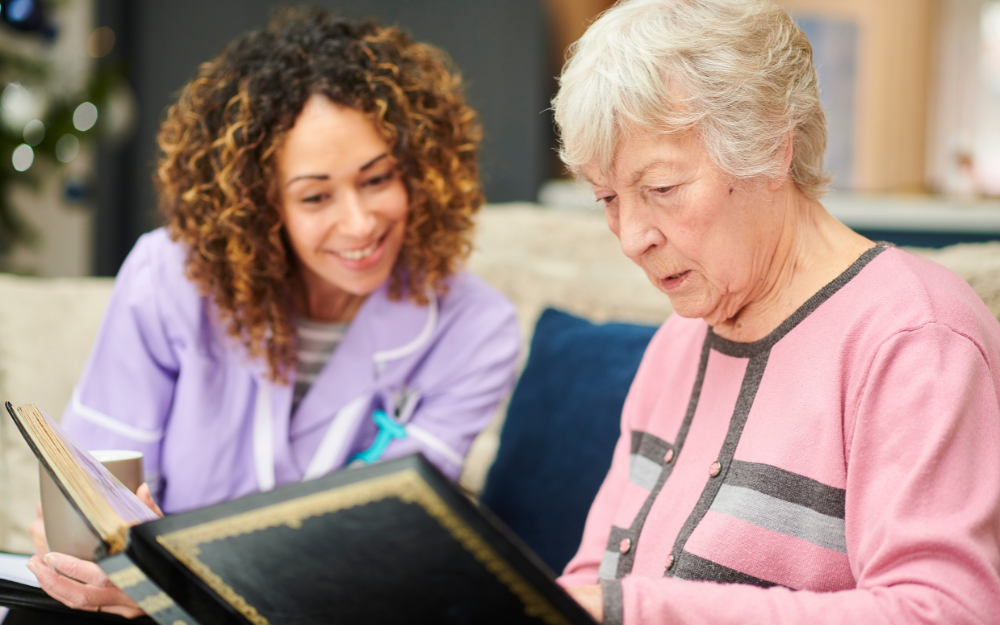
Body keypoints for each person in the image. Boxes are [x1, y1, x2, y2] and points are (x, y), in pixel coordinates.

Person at [24, 8, 518, 618]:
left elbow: (380, 553)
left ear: (420, 170)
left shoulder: (477, 331)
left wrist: (167, 583)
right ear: (260, 205)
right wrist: (85, 553)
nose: (360, 224)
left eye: (377, 178)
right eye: (315, 196)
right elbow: (94, 491)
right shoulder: (167, 279)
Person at [551, 0, 1000, 623]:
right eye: (607, 197)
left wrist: (642, 610)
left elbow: (945, 612)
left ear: (770, 147)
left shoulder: (916, 337)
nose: (631, 237)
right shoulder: (677, 344)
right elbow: (594, 578)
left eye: (661, 189)